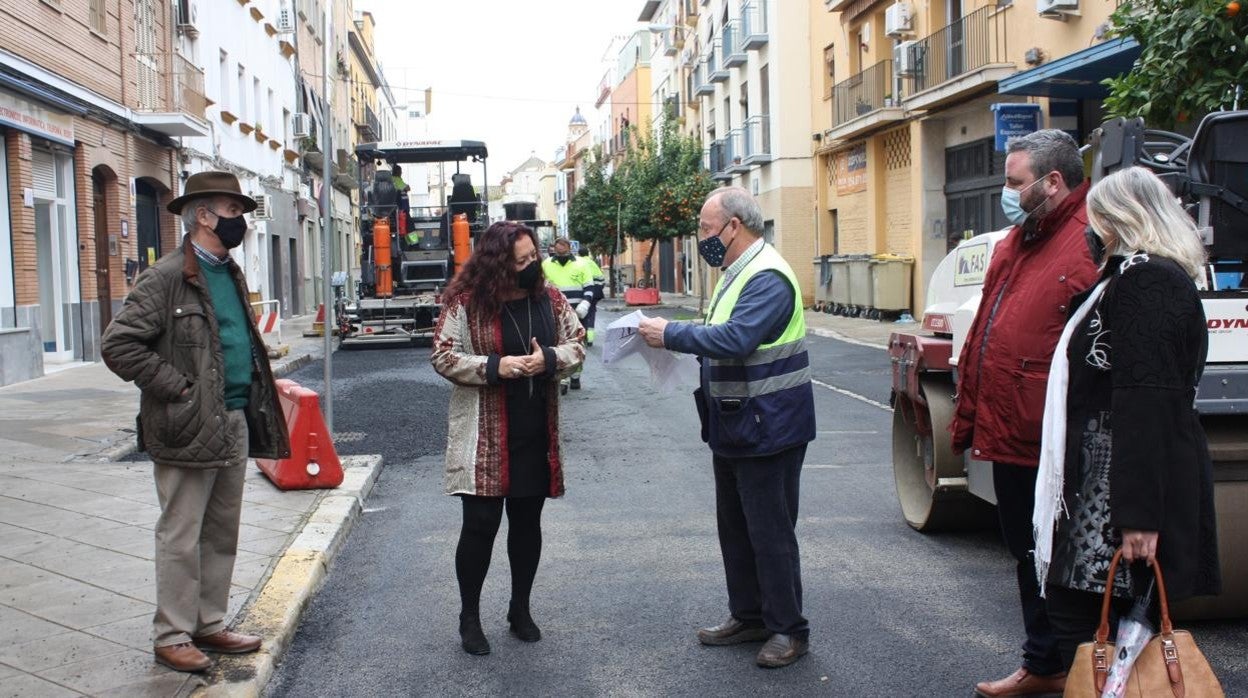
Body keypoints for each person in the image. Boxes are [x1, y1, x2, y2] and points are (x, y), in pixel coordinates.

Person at [100, 171, 291, 673]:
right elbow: (119, 346)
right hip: (186, 424)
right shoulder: (165, 276)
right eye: (233, 212)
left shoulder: (227, 271)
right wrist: (179, 388)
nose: (241, 222)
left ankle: (210, 623)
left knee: (221, 531)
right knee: (180, 534)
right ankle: (173, 634)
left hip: (232, 418)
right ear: (203, 216)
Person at [1034, 166, 1220, 669]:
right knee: (1096, 632)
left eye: (1095, 219)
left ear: (1115, 220)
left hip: (1117, 499)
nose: (1090, 231)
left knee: (1097, 633)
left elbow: (1147, 400)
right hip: (1104, 490)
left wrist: (1139, 518)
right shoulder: (1131, 276)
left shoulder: (1148, 282)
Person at [948, 129, 1100, 698]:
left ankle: (1082, 670)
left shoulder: (1091, 241)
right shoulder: (1021, 238)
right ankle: (1045, 665)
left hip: (1057, 442)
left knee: (1068, 561)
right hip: (1013, 430)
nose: (1006, 192)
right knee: (1028, 554)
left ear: (1052, 182)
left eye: (1015, 182)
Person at [638, 186, 816, 669]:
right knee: (736, 530)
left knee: (771, 533)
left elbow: (736, 338)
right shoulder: (734, 274)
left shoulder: (767, 276)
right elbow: (719, 338)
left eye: (704, 228)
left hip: (770, 427)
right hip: (737, 424)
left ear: (733, 226)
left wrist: (669, 332)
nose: (702, 237)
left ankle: (788, 630)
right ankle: (750, 615)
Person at [431, 222, 586, 656]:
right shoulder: (465, 302)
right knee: (480, 525)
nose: (530, 265)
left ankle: (520, 609)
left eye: (532, 257)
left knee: (526, 523)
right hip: (482, 433)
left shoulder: (548, 295)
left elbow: (578, 341)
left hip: (533, 428)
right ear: (498, 263)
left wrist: (548, 359)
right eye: (520, 261)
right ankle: (469, 617)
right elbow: (442, 355)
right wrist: (495, 367)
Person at [542, 237, 593, 390]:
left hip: (578, 311)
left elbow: (589, 287)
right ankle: (563, 379)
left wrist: (585, 303)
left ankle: (576, 375)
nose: (560, 250)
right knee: (558, 343)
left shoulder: (581, 264)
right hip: (555, 312)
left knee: (577, 343)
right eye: (558, 248)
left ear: (569, 248)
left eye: (563, 247)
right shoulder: (546, 265)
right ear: (554, 249)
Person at [576, 246, 605, 345]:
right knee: (591, 313)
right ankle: (590, 339)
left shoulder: (578, 263)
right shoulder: (593, 263)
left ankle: (582, 336)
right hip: (596, 292)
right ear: (588, 254)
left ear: (579, 254)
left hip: (584, 292)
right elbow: (602, 279)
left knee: (581, 313)